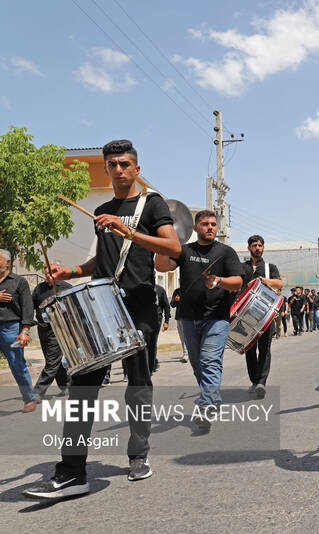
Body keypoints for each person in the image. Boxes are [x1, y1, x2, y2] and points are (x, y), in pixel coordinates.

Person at [24, 139, 181, 499]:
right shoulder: (103, 209)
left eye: (125, 164)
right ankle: (72, 471)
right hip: (101, 305)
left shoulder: (151, 203)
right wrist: (72, 271)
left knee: (138, 384)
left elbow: (173, 248)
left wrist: (129, 231)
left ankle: (139, 455)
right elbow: (104, 261)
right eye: (112, 164)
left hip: (140, 303)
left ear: (136, 169)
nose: (118, 170)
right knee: (82, 387)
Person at [155, 210, 244, 429]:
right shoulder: (184, 251)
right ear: (195, 228)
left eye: (213, 224)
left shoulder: (227, 252)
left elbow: (238, 282)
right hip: (187, 318)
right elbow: (161, 266)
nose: (210, 227)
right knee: (197, 366)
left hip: (217, 318)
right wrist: (164, 243)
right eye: (205, 224)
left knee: (209, 361)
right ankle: (213, 398)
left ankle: (205, 407)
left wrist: (219, 281)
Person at [241, 234, 282, 398]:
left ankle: (261, 382)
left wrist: (263, 281)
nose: (257, 248)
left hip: (265, 314)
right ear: (249, 248)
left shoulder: (269, 267)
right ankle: (254, 380)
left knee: (265, 349)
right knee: (249, 349)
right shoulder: (241, 267)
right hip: (246, 315)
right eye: (254, 245)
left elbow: (279, 283)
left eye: (260, 245)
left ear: (263, 248)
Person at [0, 249, 37, 412]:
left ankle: (29, 399)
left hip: (11, 328)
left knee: (17, 365)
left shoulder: (19, 281)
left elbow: (28, 307)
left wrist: (25, 330)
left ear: (7, 263)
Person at [31, 262, 72, 400]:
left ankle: (37, 392)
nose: (48, 275)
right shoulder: (39, 289)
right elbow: (31, 306)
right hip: (42, 329)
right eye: (46, 272)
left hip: (58, 329)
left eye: (51, 272)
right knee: (53, 360)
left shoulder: (66, 287)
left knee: (51, 361)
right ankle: (66, 385)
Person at [149, 283, 170, 373]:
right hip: (144, 319)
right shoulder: (144, 288)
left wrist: (166, 321)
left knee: (153, 341)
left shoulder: (160, 290)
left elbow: (166, 306)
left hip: (156, 318)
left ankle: (152, 365)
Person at [170, 288, 189, 362]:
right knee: (182, 337)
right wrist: (175, 300)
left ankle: (189, 353)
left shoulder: (190, 289)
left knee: (190, 336)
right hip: (179, 318)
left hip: (189, 318)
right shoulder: (177, 291)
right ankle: (186, 353)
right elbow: (172, 304)